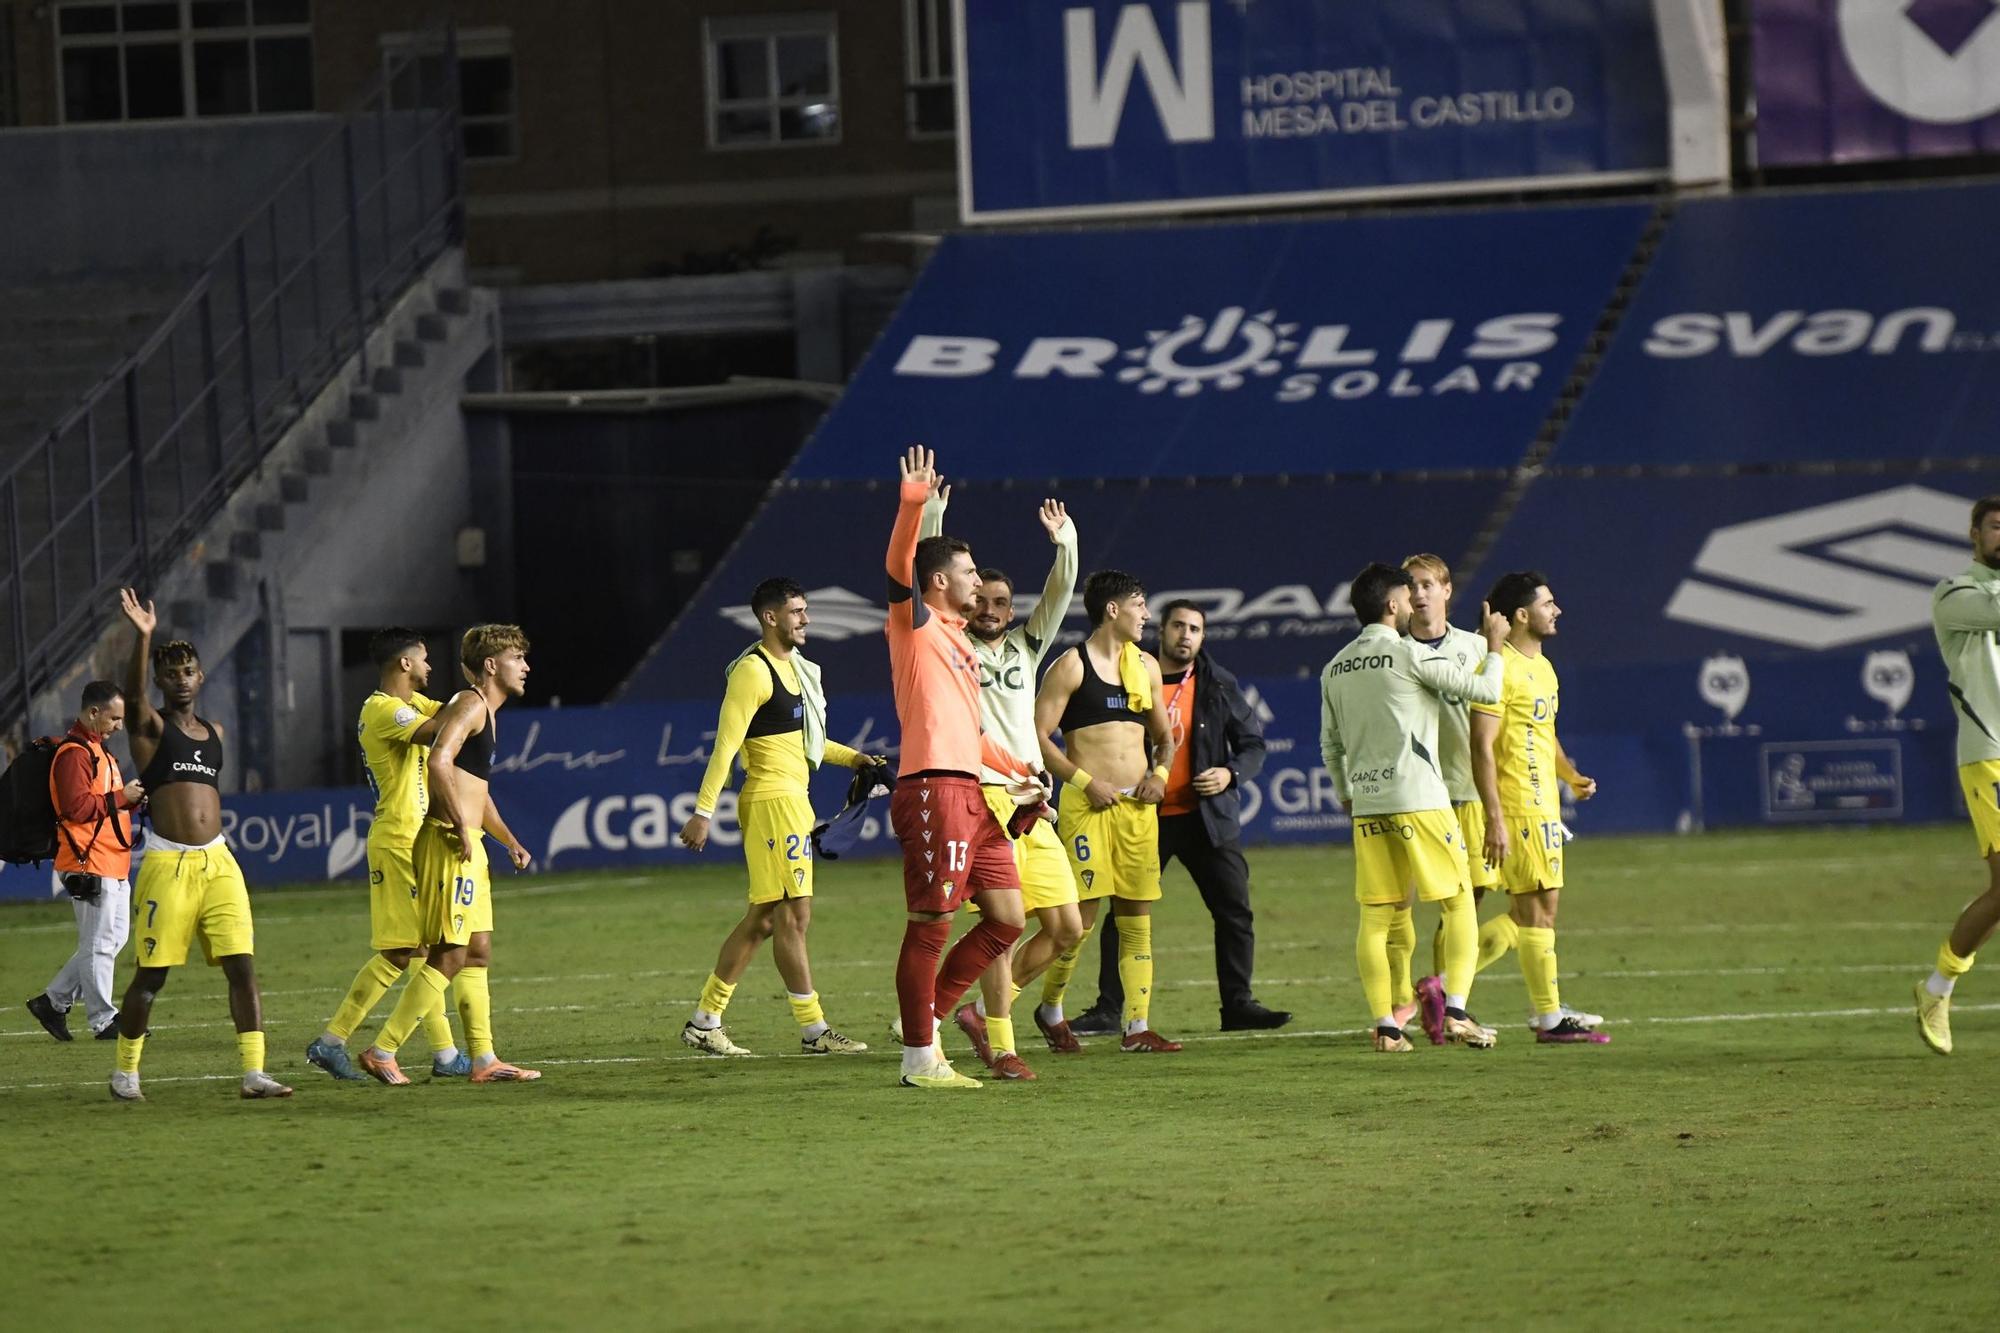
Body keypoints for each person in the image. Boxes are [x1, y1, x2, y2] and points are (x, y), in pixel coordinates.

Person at [883, 445, 1038, 1090]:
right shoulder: (914, 624)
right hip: (933, 791)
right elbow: (900, 563)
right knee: (932, 924)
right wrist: (915, 504)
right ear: (941, 582)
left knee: (1007, 918)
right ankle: (920, 1058)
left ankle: (928, 1019)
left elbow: (971, 733)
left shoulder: (962, 646)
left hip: (974, 792)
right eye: (970, 573)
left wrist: (1023, 769)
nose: (982, 582)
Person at [677, 577, 876, 1058]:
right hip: (770, 802)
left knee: (766, 918)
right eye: (796, 611)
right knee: (794, 914)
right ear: (770, 617)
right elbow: (726, 745)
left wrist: (856, 760)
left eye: (806, 610)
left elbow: (806, 743)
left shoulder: (801, 670)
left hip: (793, 801)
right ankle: (814, 1030)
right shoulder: (753, 671)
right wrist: (704, 812)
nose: (805, 619)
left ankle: (706, 1020)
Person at [1071, 601, 1290, 1035]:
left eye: (1195, 629)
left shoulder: (1216, 683)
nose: (1186, 635)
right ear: (1162, 631)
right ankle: (1109, 1009)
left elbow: (1253, 745)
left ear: (1203, 637)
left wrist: (1230, 773)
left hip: (1206, 817)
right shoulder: (1128, 672)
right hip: (1142, 815)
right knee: (1122, 913)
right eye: (1178, 626)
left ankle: (1238, 1005)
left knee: (1234, 910)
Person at [920, 488, 1080, 1075]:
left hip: (1031, 800)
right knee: (1001, 927)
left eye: (1001, 602)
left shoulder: (1025, 646)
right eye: (981, 599)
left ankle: (977, 1016)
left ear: (1012, 610)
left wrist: (1066, 543)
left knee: (1066, 926)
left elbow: (1062, 591)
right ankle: (1004, 1046)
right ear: (966, 604)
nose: (990, 609)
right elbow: (927, 575)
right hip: (982, 799)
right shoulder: (950, 643)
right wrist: (933, 516)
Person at [109, 588, 291, 1100]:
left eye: (187, 672)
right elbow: (133, 694)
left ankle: (254, 1073)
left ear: (200, 677)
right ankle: (126, 1073)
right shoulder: (149, 727)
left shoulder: (215, 731)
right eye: (170, 674)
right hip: (168, 865)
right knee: (152, 976)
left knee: (242, 966)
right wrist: (143, 638)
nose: (180, 680)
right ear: (160, 682)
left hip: (219, 862)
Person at [1321, 563, 1506, 1051]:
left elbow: (1330, 745)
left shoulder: (1335, 666)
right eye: (1406, 596)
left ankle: (1385, 1026)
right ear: (1392, 605)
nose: (1412, 604)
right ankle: (1459, 1013)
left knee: (1377, 917)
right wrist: (1494, 647)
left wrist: (1347, 796)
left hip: (1368, 804)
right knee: (1459, 899)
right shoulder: (1405, 654)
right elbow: (1487, 691)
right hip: (1421, 799)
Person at [358, 625, 540, 1084]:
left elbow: (475, 790)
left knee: (476, 950)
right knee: (449, 953)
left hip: (469, 842)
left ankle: (484, 1060)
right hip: (445, 841)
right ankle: (384, 1050)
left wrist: (508, 840)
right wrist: (461, 826)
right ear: (492, 665)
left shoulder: (487, 712)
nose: (526, 667)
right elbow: (439, 761)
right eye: (518, 659)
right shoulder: (470, 703)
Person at [305, 629, 465, 1081]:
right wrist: (473, 692)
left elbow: (461, 714)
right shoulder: (383, 710)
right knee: (401, 951)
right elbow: (442, 728)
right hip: (397, 838)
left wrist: (472, 699)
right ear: (405, 664)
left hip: (412, 836)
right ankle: (332, 1040)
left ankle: (447, 1054)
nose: (431, 667)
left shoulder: (408, 704)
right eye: (425, 659)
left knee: (426, 949)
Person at [1402, 554, 1550, 1041]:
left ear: (1446, 590)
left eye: (1428, 584)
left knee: (1471, 899)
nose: (1419, 593)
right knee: (1405, 905)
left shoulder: (1479, 648)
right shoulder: (1397, 653)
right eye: (1411, 586)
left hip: (1469, 795)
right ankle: (1412, 1006)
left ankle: (1442, 999)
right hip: (1422, 797)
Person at [1033, 569, 1183, 1053]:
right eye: (1139, 605)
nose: (1146, 615)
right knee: (1080, 921)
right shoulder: (1071, 666)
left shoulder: (1147, 666)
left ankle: (1136, 1028)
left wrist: (1159, 777)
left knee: (1137, 918)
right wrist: (1083, 781)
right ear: (1113, 610)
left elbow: (1165, 737)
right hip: (1087, 806)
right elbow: (1036, 737)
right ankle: (1051, 1009)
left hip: (1137, 811)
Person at [1472, 571, 1609, 1045]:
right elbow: (1482, 746)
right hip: (1518, 805)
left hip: (1544, 804)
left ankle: (1444, 987)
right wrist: (1495, 816)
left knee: (1534, 910)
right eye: (1549, 603)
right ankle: (1548, 1016)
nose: (1558, 610)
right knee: (1537, 912)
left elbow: (1543, 733)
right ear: (1523, 615)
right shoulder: (1499, 667)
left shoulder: (1543, 668)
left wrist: (1570, 777)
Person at [1916, 495, 2000, 1054]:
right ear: (1974, 533)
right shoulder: (1956, 594)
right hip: (1990, 751)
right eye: (1997, 526)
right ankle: (1938, 986)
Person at [24, 680, 144, 1043]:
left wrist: (132, 800)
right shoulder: (76, 753)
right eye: (114, 718)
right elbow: (76, 809)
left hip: (110, 861)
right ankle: (103, 1020)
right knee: (99, 943)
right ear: (94, 713)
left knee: (110, 939)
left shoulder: (98, 751)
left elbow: (105, 802)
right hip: (87, 860)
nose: (119, 726)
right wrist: (121, 798)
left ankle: (53, 1001)